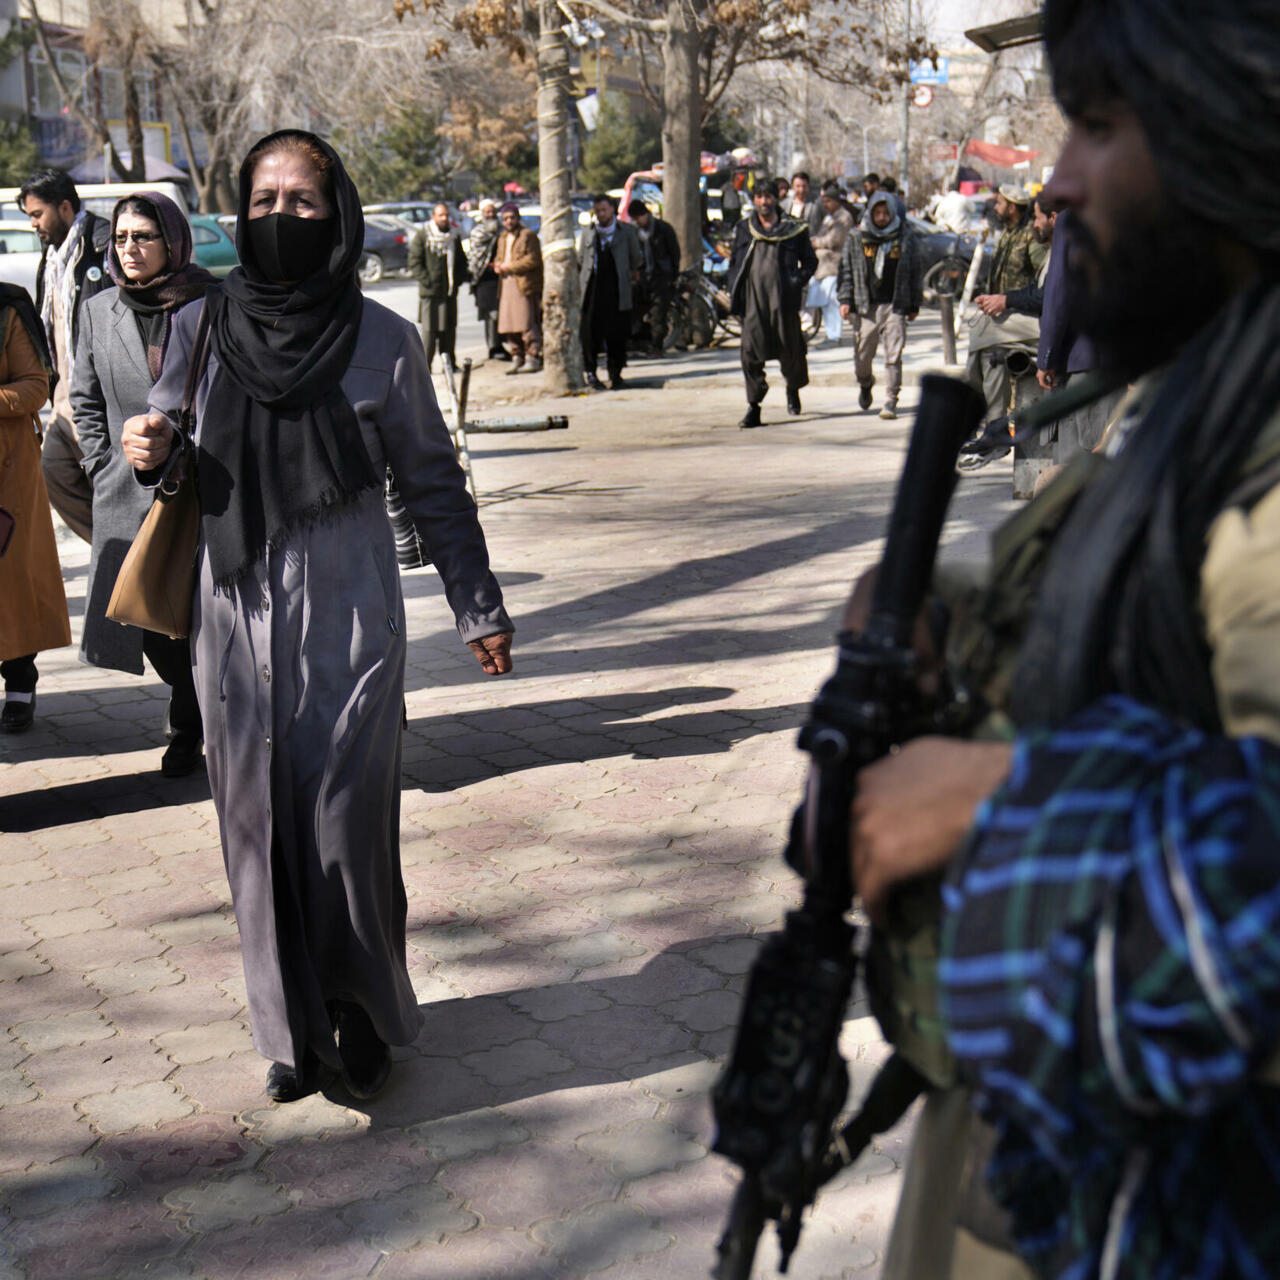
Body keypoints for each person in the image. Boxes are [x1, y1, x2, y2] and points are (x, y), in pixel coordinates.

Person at [842, 0, 1280, 1276]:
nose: (1057, 181)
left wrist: (1002, 796)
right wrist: (950, 617)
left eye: (1097, 127)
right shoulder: (1210, 384)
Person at [120, 130, 515, 1105]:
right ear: (237, 213)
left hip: (350, 628)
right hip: (233, 627)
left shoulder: (384, 340)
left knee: (343, 832)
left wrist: (477, 606)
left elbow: (432, 482)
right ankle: (290, 1032)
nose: (282, 218)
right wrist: (148, 448)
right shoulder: (204, 329)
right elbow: (169, 457)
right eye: (263, 201)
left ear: (336, 214)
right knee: (256, 835)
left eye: (303, 201)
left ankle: (361, 1010)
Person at [70, 192, 215, 776]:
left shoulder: (212, 303)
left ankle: (193, 727)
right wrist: (101, 462)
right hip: (128, 492)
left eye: (144, 236)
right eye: (121, 237)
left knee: (205, 611)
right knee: (144, 615)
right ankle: (193, 704)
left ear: (173, 241)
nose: (129, 247)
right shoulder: (97, 310)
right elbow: (84, 400)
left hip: (206, 489)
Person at [19, 168, 111, 544]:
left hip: (100, 399)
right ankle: (117, 552)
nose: (34, 225)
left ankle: (132, 562)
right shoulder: (54, 256)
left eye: (37, 214)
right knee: (54, 472)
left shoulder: (104, 244)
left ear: (66, 207)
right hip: (64, 400)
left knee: (110, 489)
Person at [0, 283, 67, 733]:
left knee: (11, 578)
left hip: (6, 468)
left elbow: (35, 387)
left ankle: (19, 680)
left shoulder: (6, 312)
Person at [959, 196, 1057, 471]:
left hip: (1054, 327)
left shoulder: (1062, 249)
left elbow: (1047, 297)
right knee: (992, 352)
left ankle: (975, 418)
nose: (1034, 223)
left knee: (984, 327)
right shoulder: (1045, 245)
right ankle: (993, 428)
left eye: (1038, 218)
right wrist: (1002, 299)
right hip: (1035, 317)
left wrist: (1007, 300)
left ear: (1053, 219)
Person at [727, 181, 817, 428]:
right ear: (754, 200)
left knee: (791, 350)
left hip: (783, 301)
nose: (763, 202)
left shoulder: (794, 229)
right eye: (759, 197)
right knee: (749, 352)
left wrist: (796, 280)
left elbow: (810, 262)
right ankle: (754, 406)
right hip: (754, 301)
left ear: (775, 199)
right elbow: (735, 262)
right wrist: (735, 291)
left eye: (767, 197)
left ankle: (793, 387)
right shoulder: (745, 228)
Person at [837, 190, 921, 420]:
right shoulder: (857, 237)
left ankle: (891, 400)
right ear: (870, 213)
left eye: (886, 213)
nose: (882, 217)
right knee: (862, 356)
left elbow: (915, 271)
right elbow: (846, 270)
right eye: (878, 213)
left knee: (893, 354)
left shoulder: (904, 237)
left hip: (895, 305)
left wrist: (914, 303)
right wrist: (845, 300)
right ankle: (865, 383)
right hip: (866, 306)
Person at [578, 193, 643, 391]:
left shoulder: (627, 232)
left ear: (613, 210)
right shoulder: (589, 233)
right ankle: (591, 372)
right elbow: (581, 260)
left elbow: (636, 259)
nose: (600, 214)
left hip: (617, 289)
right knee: (590, 334)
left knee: (617, 333)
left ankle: (615, 373)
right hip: (593, 288)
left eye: (604, 210)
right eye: (597, 211)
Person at [408, 203, 471, 372]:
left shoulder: (454, 236)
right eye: (440, 215)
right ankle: (424, 367)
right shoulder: (423, 236)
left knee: (449, 331)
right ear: (433, 217)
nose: (444, 219)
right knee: (429, 332)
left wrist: (457, 281)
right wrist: (427, 280)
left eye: (446, 215)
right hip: (430, 294)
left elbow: (461, 262)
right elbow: (414, 262)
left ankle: (449, 364)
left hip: (449, 292)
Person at [493, 202, 542, 375]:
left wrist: (511, 266)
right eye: (505, 219)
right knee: (509, 324)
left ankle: (532, 357)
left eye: (512, 218)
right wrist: (498, 265)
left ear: (518, 218)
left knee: (526, 322)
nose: (509, 221)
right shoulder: (502, 238)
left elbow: (534, 260)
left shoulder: (527, 235)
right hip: (506, 284)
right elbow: (500, 257)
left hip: (523, 284)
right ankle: (517, 356)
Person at [628, 199, 680, 357]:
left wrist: (673, 276)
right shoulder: (635, 233)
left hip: (662, 278)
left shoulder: (663, 229)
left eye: (638, 218)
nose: (637, 221)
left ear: (645, 214)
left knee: (658, 315)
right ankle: (642, 344)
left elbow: (674, 253)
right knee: (637, 313)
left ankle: (657, 347)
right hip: (643, 279)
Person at [807, 181, 854, 345]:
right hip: (823, 266)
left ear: (836, 201)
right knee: (825, 302)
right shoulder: (829, 217)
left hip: (835, 264)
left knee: (833, 302)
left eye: (828, 201)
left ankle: (834, 335)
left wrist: (815, 242)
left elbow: (834, 240)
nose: (825, 204)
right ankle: (829, 333)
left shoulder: (843, 217)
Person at [467, 198, 507, 361]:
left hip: (501, 277)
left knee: (501, 314)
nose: (490, 215)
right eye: (487, 212)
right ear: (482, 214)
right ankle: (493, 347)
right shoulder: (478, 232)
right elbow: (475, 257)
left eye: (492, 212)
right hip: (484, 279)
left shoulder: (502, 231)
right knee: (491, 315)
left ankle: (500, 345)